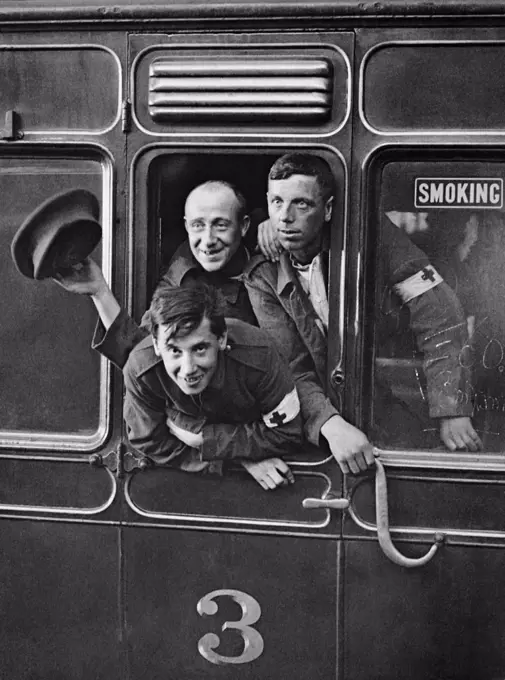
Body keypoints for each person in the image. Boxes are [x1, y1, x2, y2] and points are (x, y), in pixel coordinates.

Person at [245, 152, 481, 475]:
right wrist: (329, 423)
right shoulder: (262, 275)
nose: (285, 217)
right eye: (276, 203)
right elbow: (288, 366)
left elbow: (438, 312)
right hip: (307, 421)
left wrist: (450, 407)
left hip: (376, 398)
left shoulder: (372, 237)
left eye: (301, 204)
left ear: (328, 209)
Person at [53, 180, 257, 369]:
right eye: (198, 225)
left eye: (221, 225)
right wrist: (100, 292)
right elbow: (143, 358)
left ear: (244, 226)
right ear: (186, 227)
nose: (208, 239)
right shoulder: (179, 283)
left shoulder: (273, 243)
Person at [123, 282, 302, 490]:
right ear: (156, 345)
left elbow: (288, 433)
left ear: (221, 338)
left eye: (199, 348)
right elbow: (150, 441)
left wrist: (207, 440)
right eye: (174, 351)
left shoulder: (260, 358)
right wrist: (235, 461)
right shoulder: (141, 369)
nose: (188, 368)